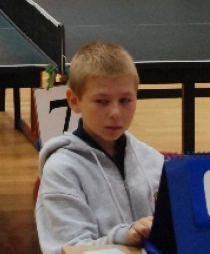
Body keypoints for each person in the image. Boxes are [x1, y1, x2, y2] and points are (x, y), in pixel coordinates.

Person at [35, 40, 165, 254]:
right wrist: (124, 235)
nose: (115, 113)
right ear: (74, 101)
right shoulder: (61, 171)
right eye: (102, 102)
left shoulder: (153, 160)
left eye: (125, 100)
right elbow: (72, 249)